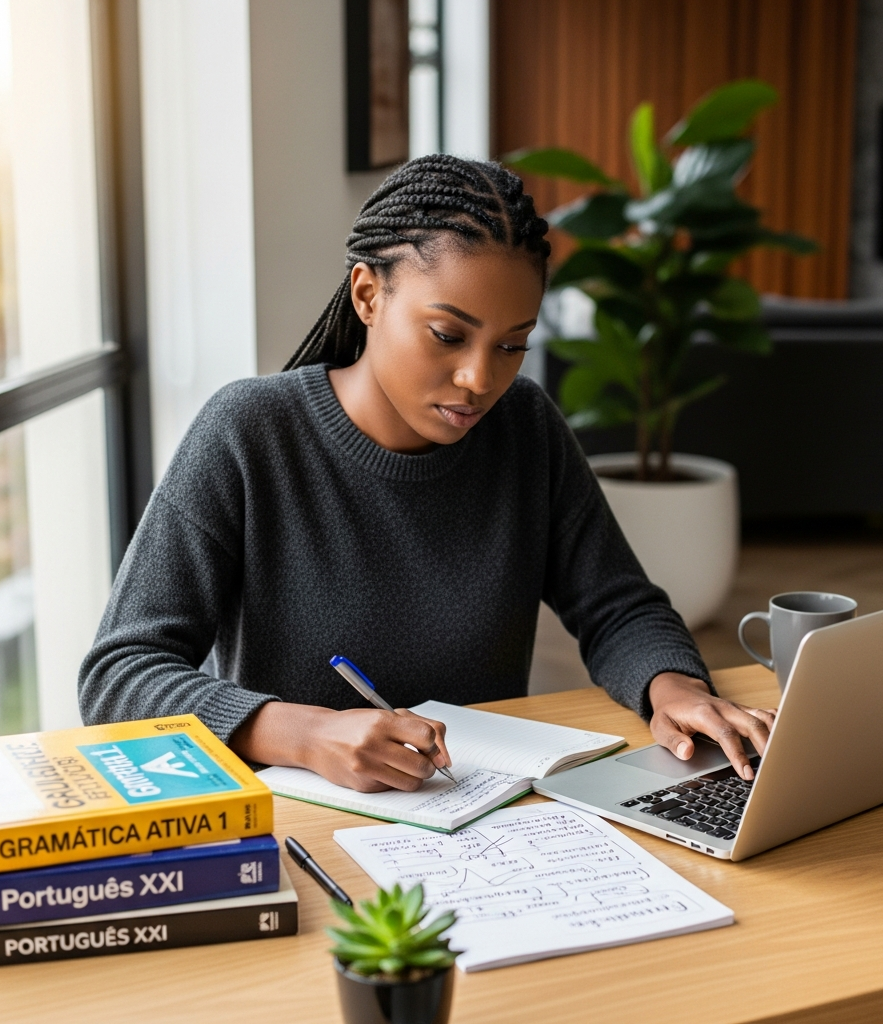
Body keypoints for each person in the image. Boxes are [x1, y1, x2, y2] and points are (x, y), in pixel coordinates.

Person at [79, 155, 775, 793]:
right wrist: (308, 733)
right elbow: (119, 676)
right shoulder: (248, 433)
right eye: (448, 335)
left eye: (511, 346)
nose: (479, 379)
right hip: (300, 823)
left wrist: (673, 687)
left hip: (480, 814)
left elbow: (619, 606)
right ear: (367, 296)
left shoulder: (524, 428)